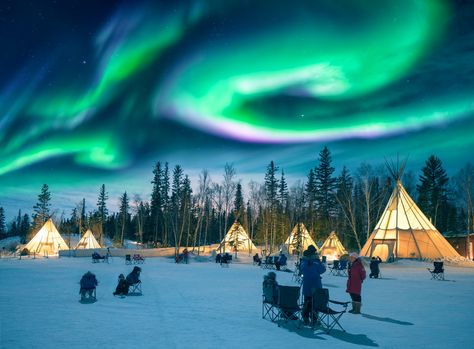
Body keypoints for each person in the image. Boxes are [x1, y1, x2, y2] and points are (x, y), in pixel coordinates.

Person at [300, 247, 326, 325]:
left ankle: (305, 318)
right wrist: (319, 262)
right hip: (316, 285)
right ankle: (314, 319)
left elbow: (301, 270)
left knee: (307, 302)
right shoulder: (316, 262)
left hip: (306, 285)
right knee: (315, 303)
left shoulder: (303, 261)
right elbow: (322, 270)